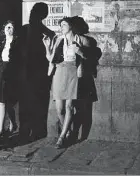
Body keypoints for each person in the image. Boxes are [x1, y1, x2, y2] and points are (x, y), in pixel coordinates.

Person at [43, 16, 100, 149]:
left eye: (63, 25)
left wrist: (79, 51)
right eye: (60, 25)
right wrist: (47, 47)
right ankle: (67, 130)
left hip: (73, 73)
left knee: (69, 106)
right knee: (60, 109)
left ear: (71, 26)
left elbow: (91, 56)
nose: (61, 27)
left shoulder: (82, 40)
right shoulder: (58, 40)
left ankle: (62, 137)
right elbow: (50, 59)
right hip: (59, 73)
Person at [17, 2, 55, 142]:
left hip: (24, 73)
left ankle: (24, 131)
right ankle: (37, 130)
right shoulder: (48, 33)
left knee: (25, 103)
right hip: (39, 74)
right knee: (38, 103)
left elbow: (15, 53)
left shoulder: (23, 30)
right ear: (44, 15)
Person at [0, 20, 18, 140]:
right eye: (7, 27)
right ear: (4, 30)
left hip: (12, 72)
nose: (9, 30)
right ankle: (1, 129)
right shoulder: (1, 42)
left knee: (9, 103)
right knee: (1, 101)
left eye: (11, 27)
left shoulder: (17, 42)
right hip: (1, 71)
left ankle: (13, 123)